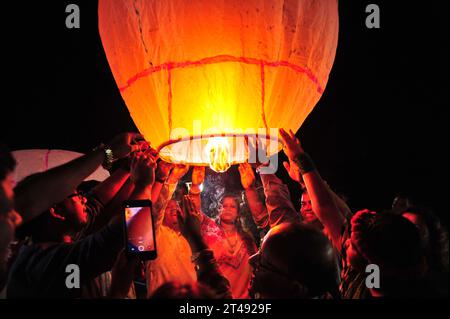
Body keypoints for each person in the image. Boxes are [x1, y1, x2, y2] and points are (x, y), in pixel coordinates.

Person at [7, 138, 155, 298]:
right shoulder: (44, 262)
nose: (84, 198)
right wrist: (144, 184)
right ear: (56, 211)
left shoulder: (56, 239)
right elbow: (122, 236)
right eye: (77, 195)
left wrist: (129, 167)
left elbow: (97, 202)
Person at [189, 166, 257, 299]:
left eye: (232, 206)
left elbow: (256, 268)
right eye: (224, 206)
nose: (228, 209)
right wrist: (195, 187)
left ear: (238, 212)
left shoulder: (246, 239)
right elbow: (194, 213)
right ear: (219, 209)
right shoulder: (210, 228)